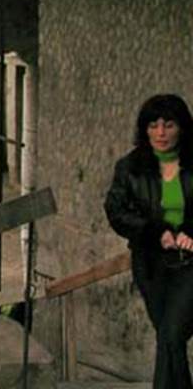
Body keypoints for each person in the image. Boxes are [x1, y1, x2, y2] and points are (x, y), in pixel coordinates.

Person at [104, 93, 193, 389]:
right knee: (169, 340)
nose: (161, 133)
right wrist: (155, 232)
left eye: (169, 125)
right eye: (153, 125)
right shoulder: (130, 167)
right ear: (144, 129)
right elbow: (116, 211)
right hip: (151, 265)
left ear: (182, 128)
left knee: (171, 334)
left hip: (190, 265)